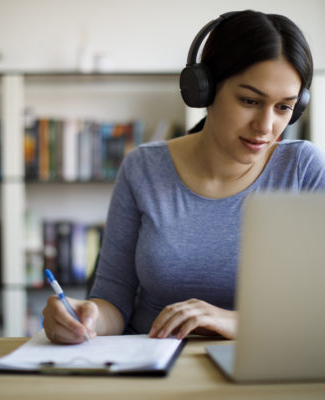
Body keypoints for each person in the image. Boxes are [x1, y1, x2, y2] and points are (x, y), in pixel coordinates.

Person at [43, 10, 325, 344]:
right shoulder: (143, 169)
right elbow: (112, 299)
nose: (266, 127)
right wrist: (86, 317)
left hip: (262, 371)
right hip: (152, 368)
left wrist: (236, 322)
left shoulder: (302, 170)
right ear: (203, 89)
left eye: (283, 108)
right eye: (250, 100)